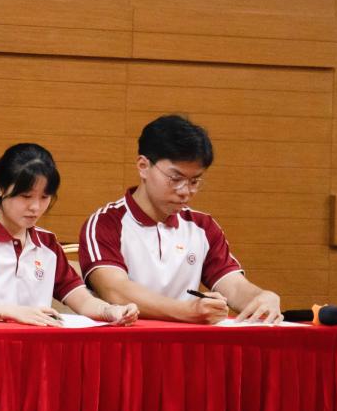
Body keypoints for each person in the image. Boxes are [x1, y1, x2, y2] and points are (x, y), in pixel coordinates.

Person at [79, 114, 281, 324]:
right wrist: (188, 311)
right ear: (143, 166)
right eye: (175, 179)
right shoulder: (105, 223)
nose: (185, 191)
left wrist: (261, 297)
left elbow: (234, 286)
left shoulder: (202, 226)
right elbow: (115, 290)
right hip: (126, 338)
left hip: (187, 339)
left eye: (194, 181)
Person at [0, 143, 137, 327]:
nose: (36, 207)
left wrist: (110, 311)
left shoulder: (48, 243)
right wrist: (10, 312)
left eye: (44, 197)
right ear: (1, 188)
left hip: (37, 346)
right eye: (26, 196)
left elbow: (82, 300)